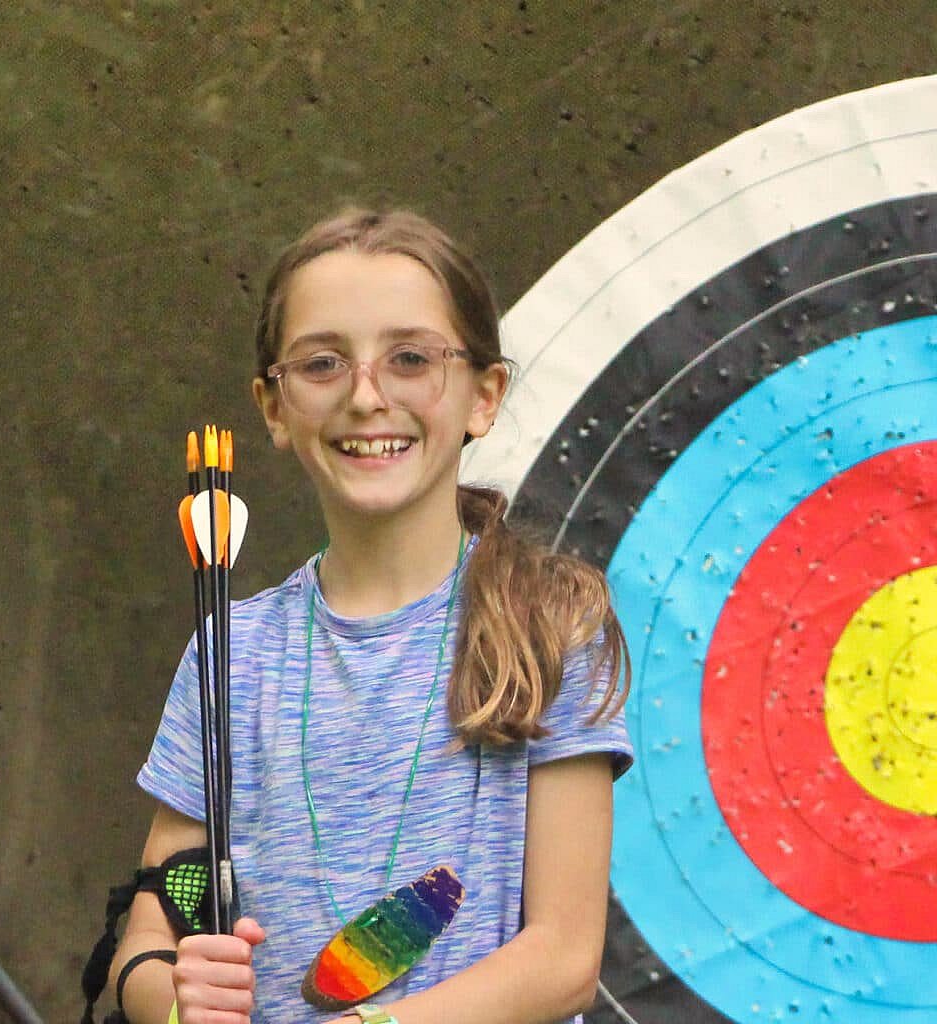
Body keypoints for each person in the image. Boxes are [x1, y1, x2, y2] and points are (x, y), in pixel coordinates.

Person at [109, 207, 633, 1024]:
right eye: (323, 363)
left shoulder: (550, 627)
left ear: (483, 395)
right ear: (275, 407)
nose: (366, 395)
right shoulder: (234, 650)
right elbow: (153, 922)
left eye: (411, 358)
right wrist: (171, 997)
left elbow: (563, 957)